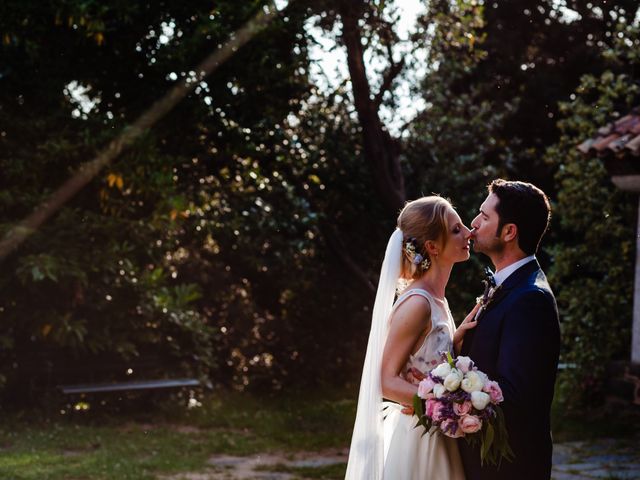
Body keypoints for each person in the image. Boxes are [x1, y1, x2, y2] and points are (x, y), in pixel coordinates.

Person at [345, 196, 479, 480]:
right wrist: (446, 402)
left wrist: (454, 343)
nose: (468, 233)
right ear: (432, 247)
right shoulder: (417, 304)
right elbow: (384, 380)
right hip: (420, 440)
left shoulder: (436, 300)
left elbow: (425, 359)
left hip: (438, 433)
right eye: (456, 230)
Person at [458, 179, 561, 479]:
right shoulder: (509, 286)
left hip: (507, 467)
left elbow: (514, 398)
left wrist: (445, 403)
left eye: (484, 216)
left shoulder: (531, 298)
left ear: (509, 232)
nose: (473, 224)